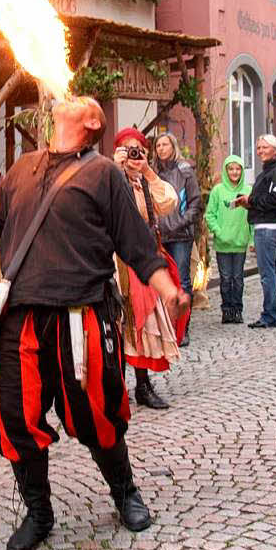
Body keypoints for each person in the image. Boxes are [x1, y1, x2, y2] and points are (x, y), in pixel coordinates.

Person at [0, 96, 189, 550]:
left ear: (92, 122)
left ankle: (125, 492)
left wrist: (168, 289)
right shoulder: (23, 167)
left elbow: (136, 244)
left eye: (81, 101)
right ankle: (39, 513)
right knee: (15, 418)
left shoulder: (104, 174)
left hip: (81, 316)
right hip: (21, 319)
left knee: (98, 414)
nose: (66, 98)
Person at [112, 126, 185, 410]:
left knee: (145, 324)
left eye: (138, 149)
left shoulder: (146, 183)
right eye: (127, 149)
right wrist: (115, 168)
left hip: (144, 262)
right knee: (119, 325)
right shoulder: (109, 178)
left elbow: (170, 203)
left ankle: (142, 385)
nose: (133, 154)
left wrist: (148, 172)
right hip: (116, 263)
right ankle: (116, 386)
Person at [235, 134, 276, 328]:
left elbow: (275, 200)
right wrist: (249, 201)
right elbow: (268, 199)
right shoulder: (269, 171)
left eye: (264, 147)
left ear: (275, 150)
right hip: (271, 226)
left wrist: (251, 201)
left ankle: (269, 316)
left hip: (268, 229)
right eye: (258, 147)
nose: (260, 150)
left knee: (267, 274)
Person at [152, 132, 202, 346]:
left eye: (165, 144)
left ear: (173, 146)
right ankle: (167, 327)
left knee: (181, 279)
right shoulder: (152, 172)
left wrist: (180, 223)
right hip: (160, 235)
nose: (161, 148)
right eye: (158, 145)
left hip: (181, 235)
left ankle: (183, 327)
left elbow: (195, 203)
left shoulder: (185, 171)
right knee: (162, 281)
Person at [204, 155, 252, 324]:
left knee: (238, 278)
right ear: (226, 170)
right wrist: (218, 231)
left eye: (238, 169)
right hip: (223, 244)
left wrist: (251, 239)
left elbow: (253, 216)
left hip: (240, 242)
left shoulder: (247, 190)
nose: (234, 172)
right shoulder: (218, 191)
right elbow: (209, 215)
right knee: (225, 279)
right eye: (231, 169)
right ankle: (226, 310)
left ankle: (237, 309)